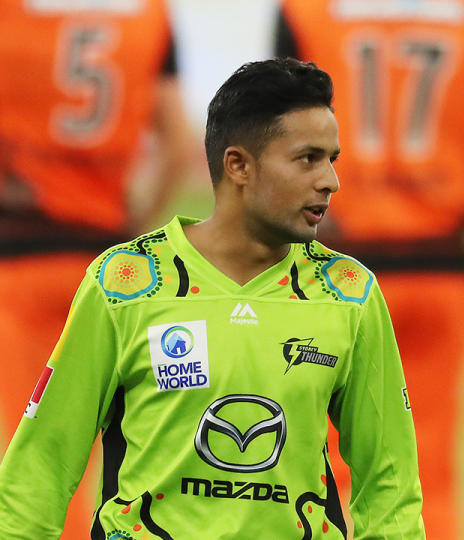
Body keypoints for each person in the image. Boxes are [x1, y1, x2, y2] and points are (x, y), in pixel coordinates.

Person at [0, 58, 425, 539]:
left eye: (333, 159)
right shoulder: (128, 283)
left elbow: (389, 479)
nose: (330, 180)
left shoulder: (348, 294)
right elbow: (43, 461)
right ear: (238, 165)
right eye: (308, 158)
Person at [274, 2, 464, 537]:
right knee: (426, 471)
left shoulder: (307, 11)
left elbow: (273, 140)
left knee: (319, 470)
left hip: (332, 265)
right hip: (439, 270)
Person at [0, 0, 194, 535]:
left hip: (20, 255)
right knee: (129, 462)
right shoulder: (148, 14)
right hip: (109, 269)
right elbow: (179, 143)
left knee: (34, 454)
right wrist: (133, 226)